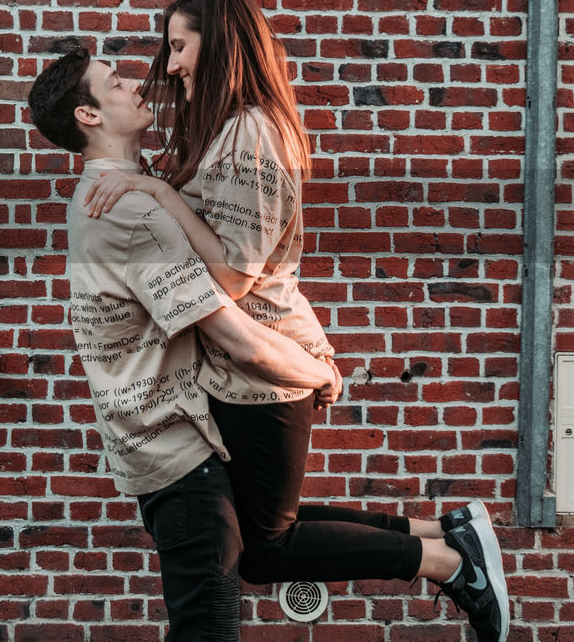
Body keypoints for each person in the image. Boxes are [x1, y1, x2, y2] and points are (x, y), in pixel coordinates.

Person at [82, 0, 510, 642]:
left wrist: (152, 191)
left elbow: (230, 272)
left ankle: (448, 561)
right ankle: (439, 535)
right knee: (263, 535)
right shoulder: (230, 128)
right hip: (245, 367)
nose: (168, 66)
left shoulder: (250, 132)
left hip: (263, 367)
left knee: (269, 546)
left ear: (218, 42)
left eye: (178, 46)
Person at [28, 45, 342, 640]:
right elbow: (235, 337)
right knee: (208, 628)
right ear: (88, 116)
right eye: (115, 82)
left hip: (171, 446)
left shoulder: (131, 191)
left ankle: (441, 549)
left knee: (247, 571)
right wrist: (319, 372)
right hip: (177, 454)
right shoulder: (130, 214)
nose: (137, 85)